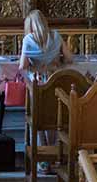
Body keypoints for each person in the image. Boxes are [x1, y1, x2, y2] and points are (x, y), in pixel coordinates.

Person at [19, 10, 72, 171]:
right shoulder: (56, 35)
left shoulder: (29, 39)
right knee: (53, 119)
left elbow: (22, 67)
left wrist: (33, 73)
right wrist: (54, 63)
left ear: (30, 25)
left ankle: (43, 161)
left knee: (37, 120)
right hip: (54, 81)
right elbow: (69, 59)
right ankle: (54, 156)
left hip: (37, 83)